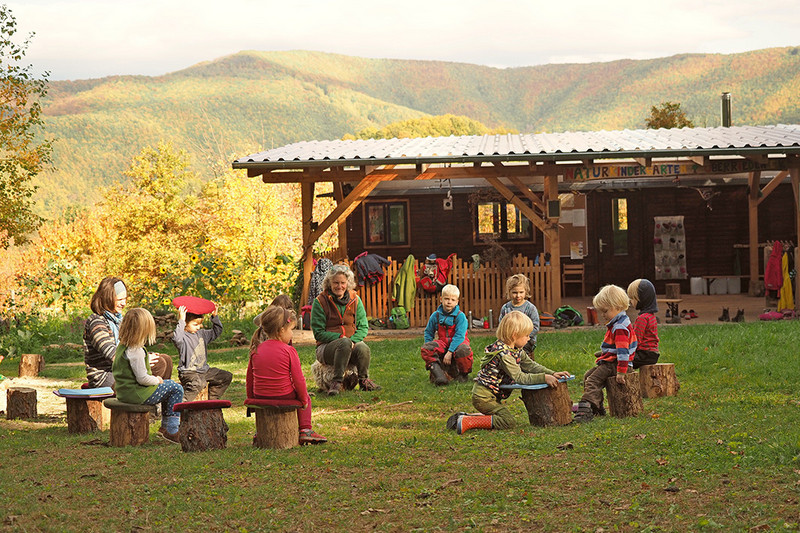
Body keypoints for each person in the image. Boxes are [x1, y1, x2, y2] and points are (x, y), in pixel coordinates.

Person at [449, 311, 571, 434]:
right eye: (526, 335)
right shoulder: (504, 354)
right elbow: (520, 377)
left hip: (491, 396)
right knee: (508, 421)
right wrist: (544, 378)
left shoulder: (516, 349)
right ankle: (467, 421)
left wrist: (553, 373)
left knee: (501, 416)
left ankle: (467, 416)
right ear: (514, 335)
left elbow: (531, 366)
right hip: (484, 397)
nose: (529, 338)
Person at [247, 306, 326, 444]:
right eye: (291, 330)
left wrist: (252, 400)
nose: (292, 334)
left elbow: (250, 379)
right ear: (281, 330)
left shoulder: (256, 349)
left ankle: (259, 431)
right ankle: (305, 430)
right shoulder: (289, 351)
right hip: (282, 394)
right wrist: (303, 400)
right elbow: (299, 380)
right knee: (306, 396)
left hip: (260, 395)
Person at [83, 277, 172, 388]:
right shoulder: (96, 322)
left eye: (125, 299)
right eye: (119, 300)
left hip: (121, 369)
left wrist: (144, 356)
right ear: (107, 298)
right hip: (106, 376)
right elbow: (114, 355)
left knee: (166, 360)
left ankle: (161, 402)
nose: (124, 303)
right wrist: (143, 360)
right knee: (159, 365)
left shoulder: (118, 320)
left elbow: (131, 348)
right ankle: (143, 399)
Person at [111, 308, 184, 443]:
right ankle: (172, 429)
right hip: (138, 394)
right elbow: (142, 379)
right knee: (176, 388)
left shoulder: (122, 346)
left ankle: (165, 428)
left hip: (125, 392)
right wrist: (157, 379)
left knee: (169, 389)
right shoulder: (136, 351)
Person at [311, 264, 380, 395]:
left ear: (348, 283)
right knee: (344, 343)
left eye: (343, 283)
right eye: (335, 283)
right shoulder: (320, 302)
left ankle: (363, 380)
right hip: (326, 348)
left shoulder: (355, 299)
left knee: (363, 348)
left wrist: (353, 341)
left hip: (351, 343)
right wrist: (340, 338)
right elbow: (319, 333)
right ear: (329, 283)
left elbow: (363, 327)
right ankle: (337, 382)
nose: (339, 286)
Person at [574, 284, 638, 423]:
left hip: (617, 365)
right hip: (613, 361)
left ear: (617, 306)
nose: (602, 315)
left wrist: (621, 372)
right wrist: (605, 353)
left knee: (592, 380)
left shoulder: (620, 327)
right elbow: (616, 347)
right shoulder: (618, 322)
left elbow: (623, 352)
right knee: (588, 376)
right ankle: (597, 407)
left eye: (605, 311)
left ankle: (586, 409)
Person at [173, 304, 231, 402]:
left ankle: (211, 400)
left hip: (204, 371)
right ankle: (182, 403)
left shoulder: (202, 334)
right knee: (199, 383)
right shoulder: (183, 337)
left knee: (225, 376)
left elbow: (217, 332)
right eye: (195, 324)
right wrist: (181, 320)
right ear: (185, 324)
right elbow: (176, 338)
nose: (199, 327)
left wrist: (214, 317)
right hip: (188, 372)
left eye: (200, 324)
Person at [420, 284, 473, 385]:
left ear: (457, 302)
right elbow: (428, 331)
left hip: (458, 344)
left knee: (464, 350)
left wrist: (449, 352)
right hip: (443, 343)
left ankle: (463, 374)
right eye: (446, 299)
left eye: (453, 300)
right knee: (426, 348)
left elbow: (459, 336)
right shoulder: (436, 315)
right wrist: (429, 344)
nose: (449, 302)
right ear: (441, 299)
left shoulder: (460, 316)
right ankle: (439, 375)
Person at [497, 274, 540, 356]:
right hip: (509, 340)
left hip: (526, 341)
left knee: (521, 352)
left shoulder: (530, 308)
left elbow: (535, 327)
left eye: (521, 292)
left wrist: (519, 337)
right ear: (509, 292)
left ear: (526, 291)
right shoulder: (506, 308)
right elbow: (501, 326)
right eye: (514, 292)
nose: (518, 295)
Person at [627, 279, 660, 369]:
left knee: (620, 360)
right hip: (652, 354)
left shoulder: (642, 318)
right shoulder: (650, 316)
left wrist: (621, 351)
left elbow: (635, 340)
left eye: (633, 298)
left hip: (644, 355)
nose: (631, 301)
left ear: (642, 299)